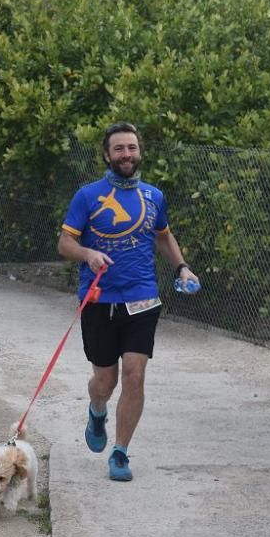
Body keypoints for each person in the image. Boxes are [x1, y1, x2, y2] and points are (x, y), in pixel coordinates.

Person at [57, 122, 199, 482]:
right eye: (119, 149)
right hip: (99, 300)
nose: (126, 154)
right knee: (105, 381)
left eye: (132, 148)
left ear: (140, 152)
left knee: (135, 377)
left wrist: (182, 267)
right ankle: (97, 409)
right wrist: (87, 254)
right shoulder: (87, 196)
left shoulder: (153, 196)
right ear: (107, 155)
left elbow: (163, 236)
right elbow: (64, 244)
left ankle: (120, 452)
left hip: (142, 299)